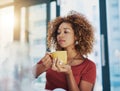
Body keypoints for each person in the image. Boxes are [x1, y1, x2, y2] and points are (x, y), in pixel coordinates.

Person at [34, 10, 96, 91]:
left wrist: (69, 73)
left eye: (66, 32)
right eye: (58, 32)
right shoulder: (51, 58)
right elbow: (25, 77)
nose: (60, 35)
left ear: (77, 36)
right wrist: (43, 66)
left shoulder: (89, 66)